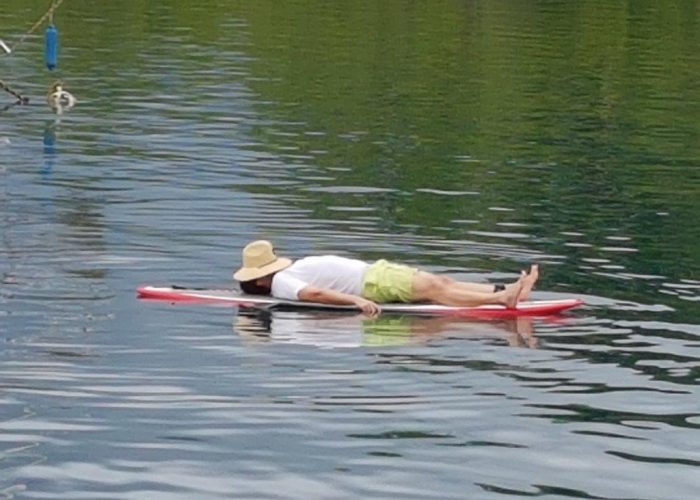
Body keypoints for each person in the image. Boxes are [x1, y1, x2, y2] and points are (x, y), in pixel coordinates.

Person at [233, 240, 539, 316]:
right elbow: (313, 295)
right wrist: (355, 300)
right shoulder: (281, 283)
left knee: (441, 282)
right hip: (373, 284)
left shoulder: (285, 275)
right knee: (436, 289)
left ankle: (508, 290)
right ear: (261, 279)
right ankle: (501, 299)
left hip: (377, 274)